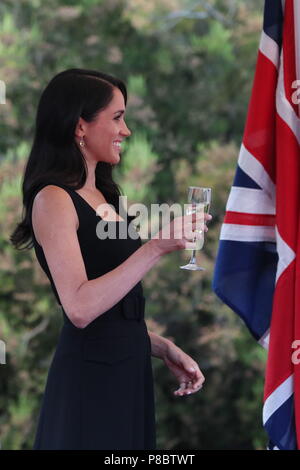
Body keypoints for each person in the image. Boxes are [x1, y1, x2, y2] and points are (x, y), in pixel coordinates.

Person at [10, 68, 211, 450]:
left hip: (127, 373)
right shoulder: (52, 199)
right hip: (91, 383)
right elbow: (81, 308)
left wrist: (159, 345)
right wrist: (155, 247)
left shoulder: (104, 196)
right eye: (117, 118)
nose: (127, 130)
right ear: (79, 127)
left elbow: (108, 316)